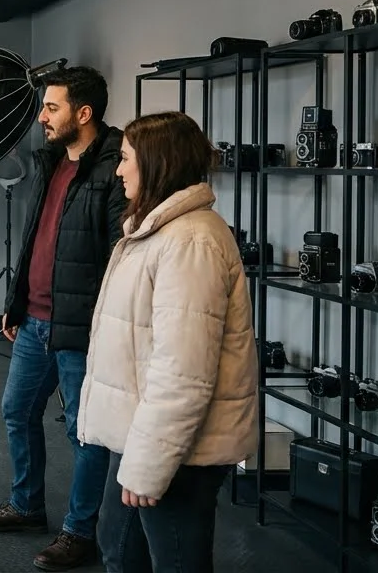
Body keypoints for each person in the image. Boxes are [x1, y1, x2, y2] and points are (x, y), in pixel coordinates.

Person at [77, 111, 257, 573]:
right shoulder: (158, 232)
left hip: (177, 452)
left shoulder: (190, 242)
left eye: (125, 158)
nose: (118, 170)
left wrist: (148, 465)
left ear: (157, 163)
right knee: (118, 551)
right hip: (144, 438)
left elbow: (183, 374)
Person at [0, 66, 127, 571]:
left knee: (86, 432)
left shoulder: (117, 165)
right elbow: (38, 237)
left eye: (51, 107)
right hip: (35, 319)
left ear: (84, 113)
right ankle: (26, 505)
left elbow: (119, 255)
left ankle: (80, 532)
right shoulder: (52, 160)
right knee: (18, 411)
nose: (42, 117)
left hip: (81, 327)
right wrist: (17, 301)